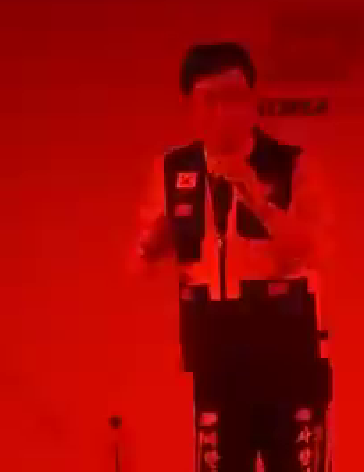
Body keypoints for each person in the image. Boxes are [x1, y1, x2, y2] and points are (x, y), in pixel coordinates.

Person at [130, 42, 334, 472]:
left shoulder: (291, 165)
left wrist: (257, 198)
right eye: (211, 100)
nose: (225, 112)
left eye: (236, 97)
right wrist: (151, 244)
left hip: (286, 351)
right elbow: (137, 264)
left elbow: (312, 250)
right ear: (190, 107)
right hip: (216, 354)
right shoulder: (171, 170)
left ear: (254, 99)